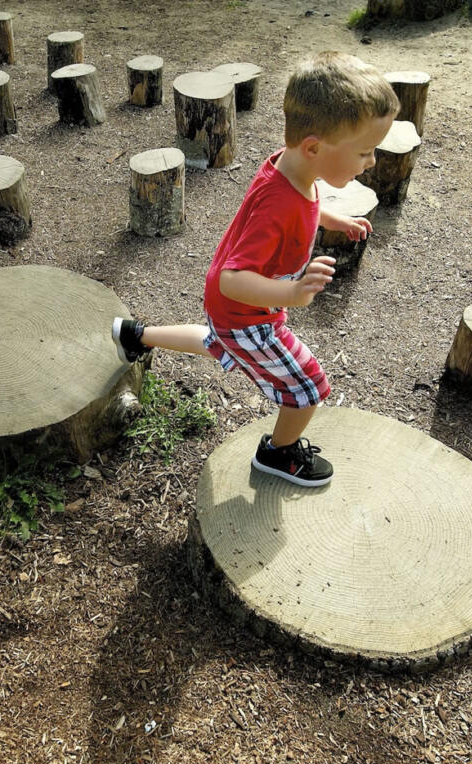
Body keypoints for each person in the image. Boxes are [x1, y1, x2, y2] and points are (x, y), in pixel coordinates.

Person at [113, 52, 398, 487]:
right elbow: (235, 279)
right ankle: (277, 454)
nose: (371, 162)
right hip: (246, 314)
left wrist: (333, 220)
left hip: (231, 311)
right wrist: (293, 293)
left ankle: (136, 336)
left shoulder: (293, 166)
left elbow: (307, 200)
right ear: (315, 147)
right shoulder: (279, 203)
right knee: (307, 389)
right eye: (364, 151)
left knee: (216, 341)